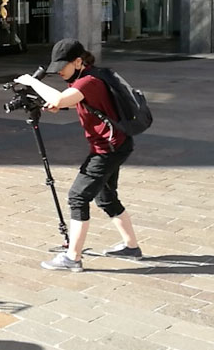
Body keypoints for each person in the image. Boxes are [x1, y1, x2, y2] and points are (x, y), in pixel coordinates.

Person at [14, 38, 141, 272]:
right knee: (106, 198)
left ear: (78, 61)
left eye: (63, 66)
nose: (59, 72)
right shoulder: (91, 76)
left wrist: (32, 82)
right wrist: (61, 105)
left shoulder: (88, 80)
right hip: (116, 145)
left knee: (78, 197)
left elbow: (62, 97)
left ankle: (72, 257)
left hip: (107, 149)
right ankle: (131, 247)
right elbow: (79, 101)